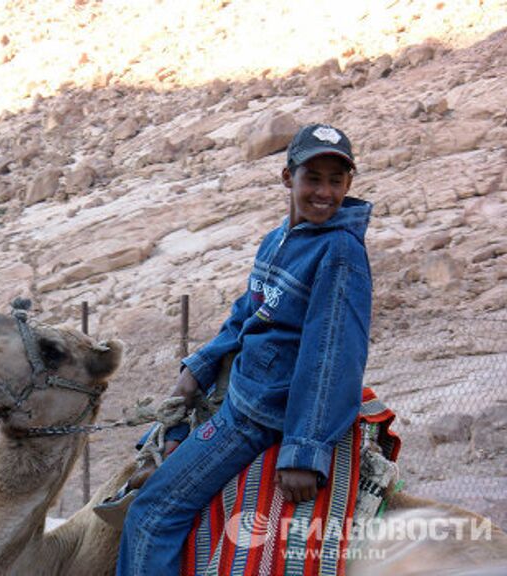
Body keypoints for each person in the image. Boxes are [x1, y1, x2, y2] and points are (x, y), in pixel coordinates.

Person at [116, 124, 373, 575]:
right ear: (287, 178)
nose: (324, 192)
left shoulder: (339, 252)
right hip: (240, 389)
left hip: (258, 414)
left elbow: (332, 355)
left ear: (349, 185)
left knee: (151, 515)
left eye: (336, 181)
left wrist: (305, 450)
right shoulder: (277, 241)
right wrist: (197, 367)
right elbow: (245, 314)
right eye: (313, 178)